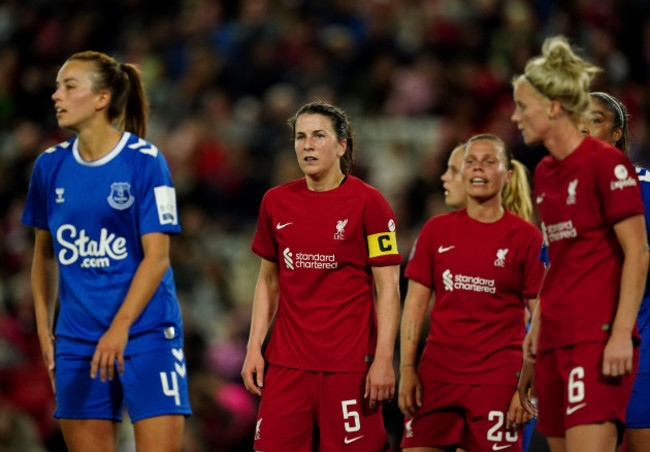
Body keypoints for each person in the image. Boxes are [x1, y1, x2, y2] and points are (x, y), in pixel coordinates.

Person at [21, 51, 190, 452]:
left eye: (69, 86)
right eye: (57, 86)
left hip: (147, 333)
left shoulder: (146, 162)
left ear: (102, 99)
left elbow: (158, 257)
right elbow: (44, 255)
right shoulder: (48, 167)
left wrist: (120, 328)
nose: (55, 95)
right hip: (78, 340)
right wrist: (46, 330)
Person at [240, 100, 403, 451]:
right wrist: (255, 347)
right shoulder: (274, 202)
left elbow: (388, 288)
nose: (307, 145)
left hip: (348, 367)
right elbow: (269, 281)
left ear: (341, 145)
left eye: (318, 136)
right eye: (300, 137)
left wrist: (385, 360)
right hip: (286, 365)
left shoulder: (370, 204)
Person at [512, 36, 648, 452]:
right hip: (556, 341)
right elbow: (558, 266)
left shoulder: (615, 169)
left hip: (605, 340)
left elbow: (638, 253)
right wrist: (533, 340)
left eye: (523, 106)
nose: (515, 117)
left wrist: (623, 332)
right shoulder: (548, 175)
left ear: (553, 108)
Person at [398, 133, 544, 451]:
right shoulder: (435, 230)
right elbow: (413, 307)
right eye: (471, 161)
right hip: (436, 376)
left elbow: (542, 315)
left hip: (498, 380)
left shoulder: (528, 238)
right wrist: (408, 369)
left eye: (489, 161)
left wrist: (528, 382)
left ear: (507, 175)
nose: (478, 168)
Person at [584, 91, 650, 452]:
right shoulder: (562, 197)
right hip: (582, 352)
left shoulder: (646, 187)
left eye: (594, 121)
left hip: (641, 346)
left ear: (617, 133)